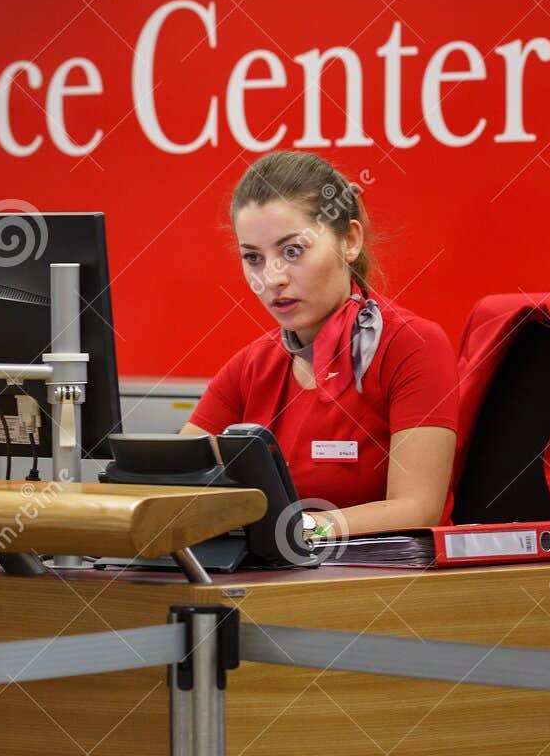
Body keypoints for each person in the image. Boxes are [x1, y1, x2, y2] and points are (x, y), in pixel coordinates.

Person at [182, 150, 458, 541]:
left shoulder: (413, 345)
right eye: (253, 258)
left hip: (382, 590)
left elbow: (416, 508)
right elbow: (174, 484)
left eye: (292, 251)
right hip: (270, 581)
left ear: (349, 240)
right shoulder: (252, 365)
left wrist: (295, 530)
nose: (271, 278)